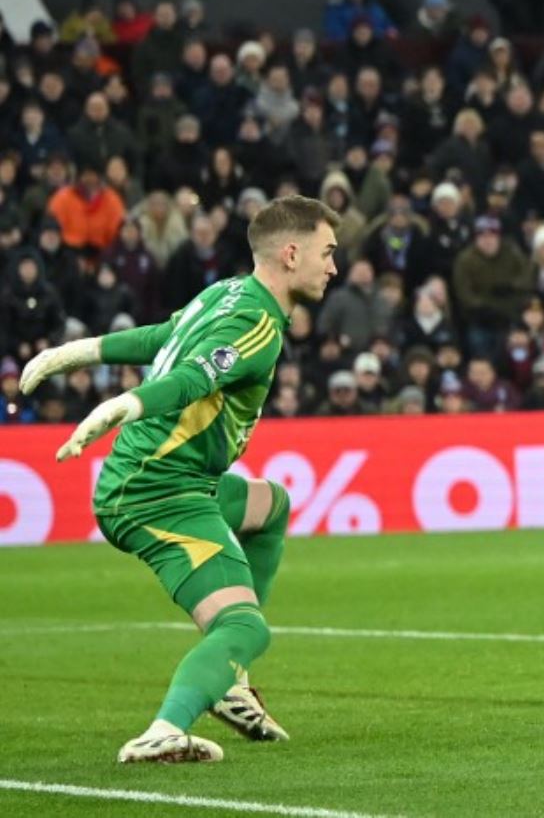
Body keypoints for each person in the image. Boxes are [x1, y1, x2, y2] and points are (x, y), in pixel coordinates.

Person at [21, 196, 341, 763]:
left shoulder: (227, 292)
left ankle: (231, 678)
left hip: (171, 475)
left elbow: (163, 336)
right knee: (246, 628)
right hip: (157, 490)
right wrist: (126, 403)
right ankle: (166, 728)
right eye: (327, 252)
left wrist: (78, 352)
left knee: (271, 505)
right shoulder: (260, 325)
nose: (333, 267)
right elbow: (193, 376)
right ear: (292, 254)